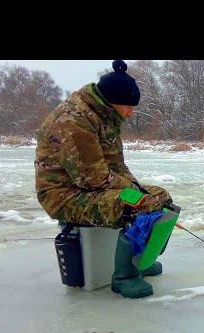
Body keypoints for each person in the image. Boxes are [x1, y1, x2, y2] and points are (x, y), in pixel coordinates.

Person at [34, 60, 174, 299]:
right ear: (112, 102)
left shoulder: (105, 117)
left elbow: (116, 167)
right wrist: (136, 195)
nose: (131, 113)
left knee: (162, 198)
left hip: (89, 187)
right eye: (128, 106)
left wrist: (141, 190)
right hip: (64, 195)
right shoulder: (75, 121)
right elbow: (93, 178)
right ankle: (125, 276)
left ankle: (141, 259)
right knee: (137, 207)